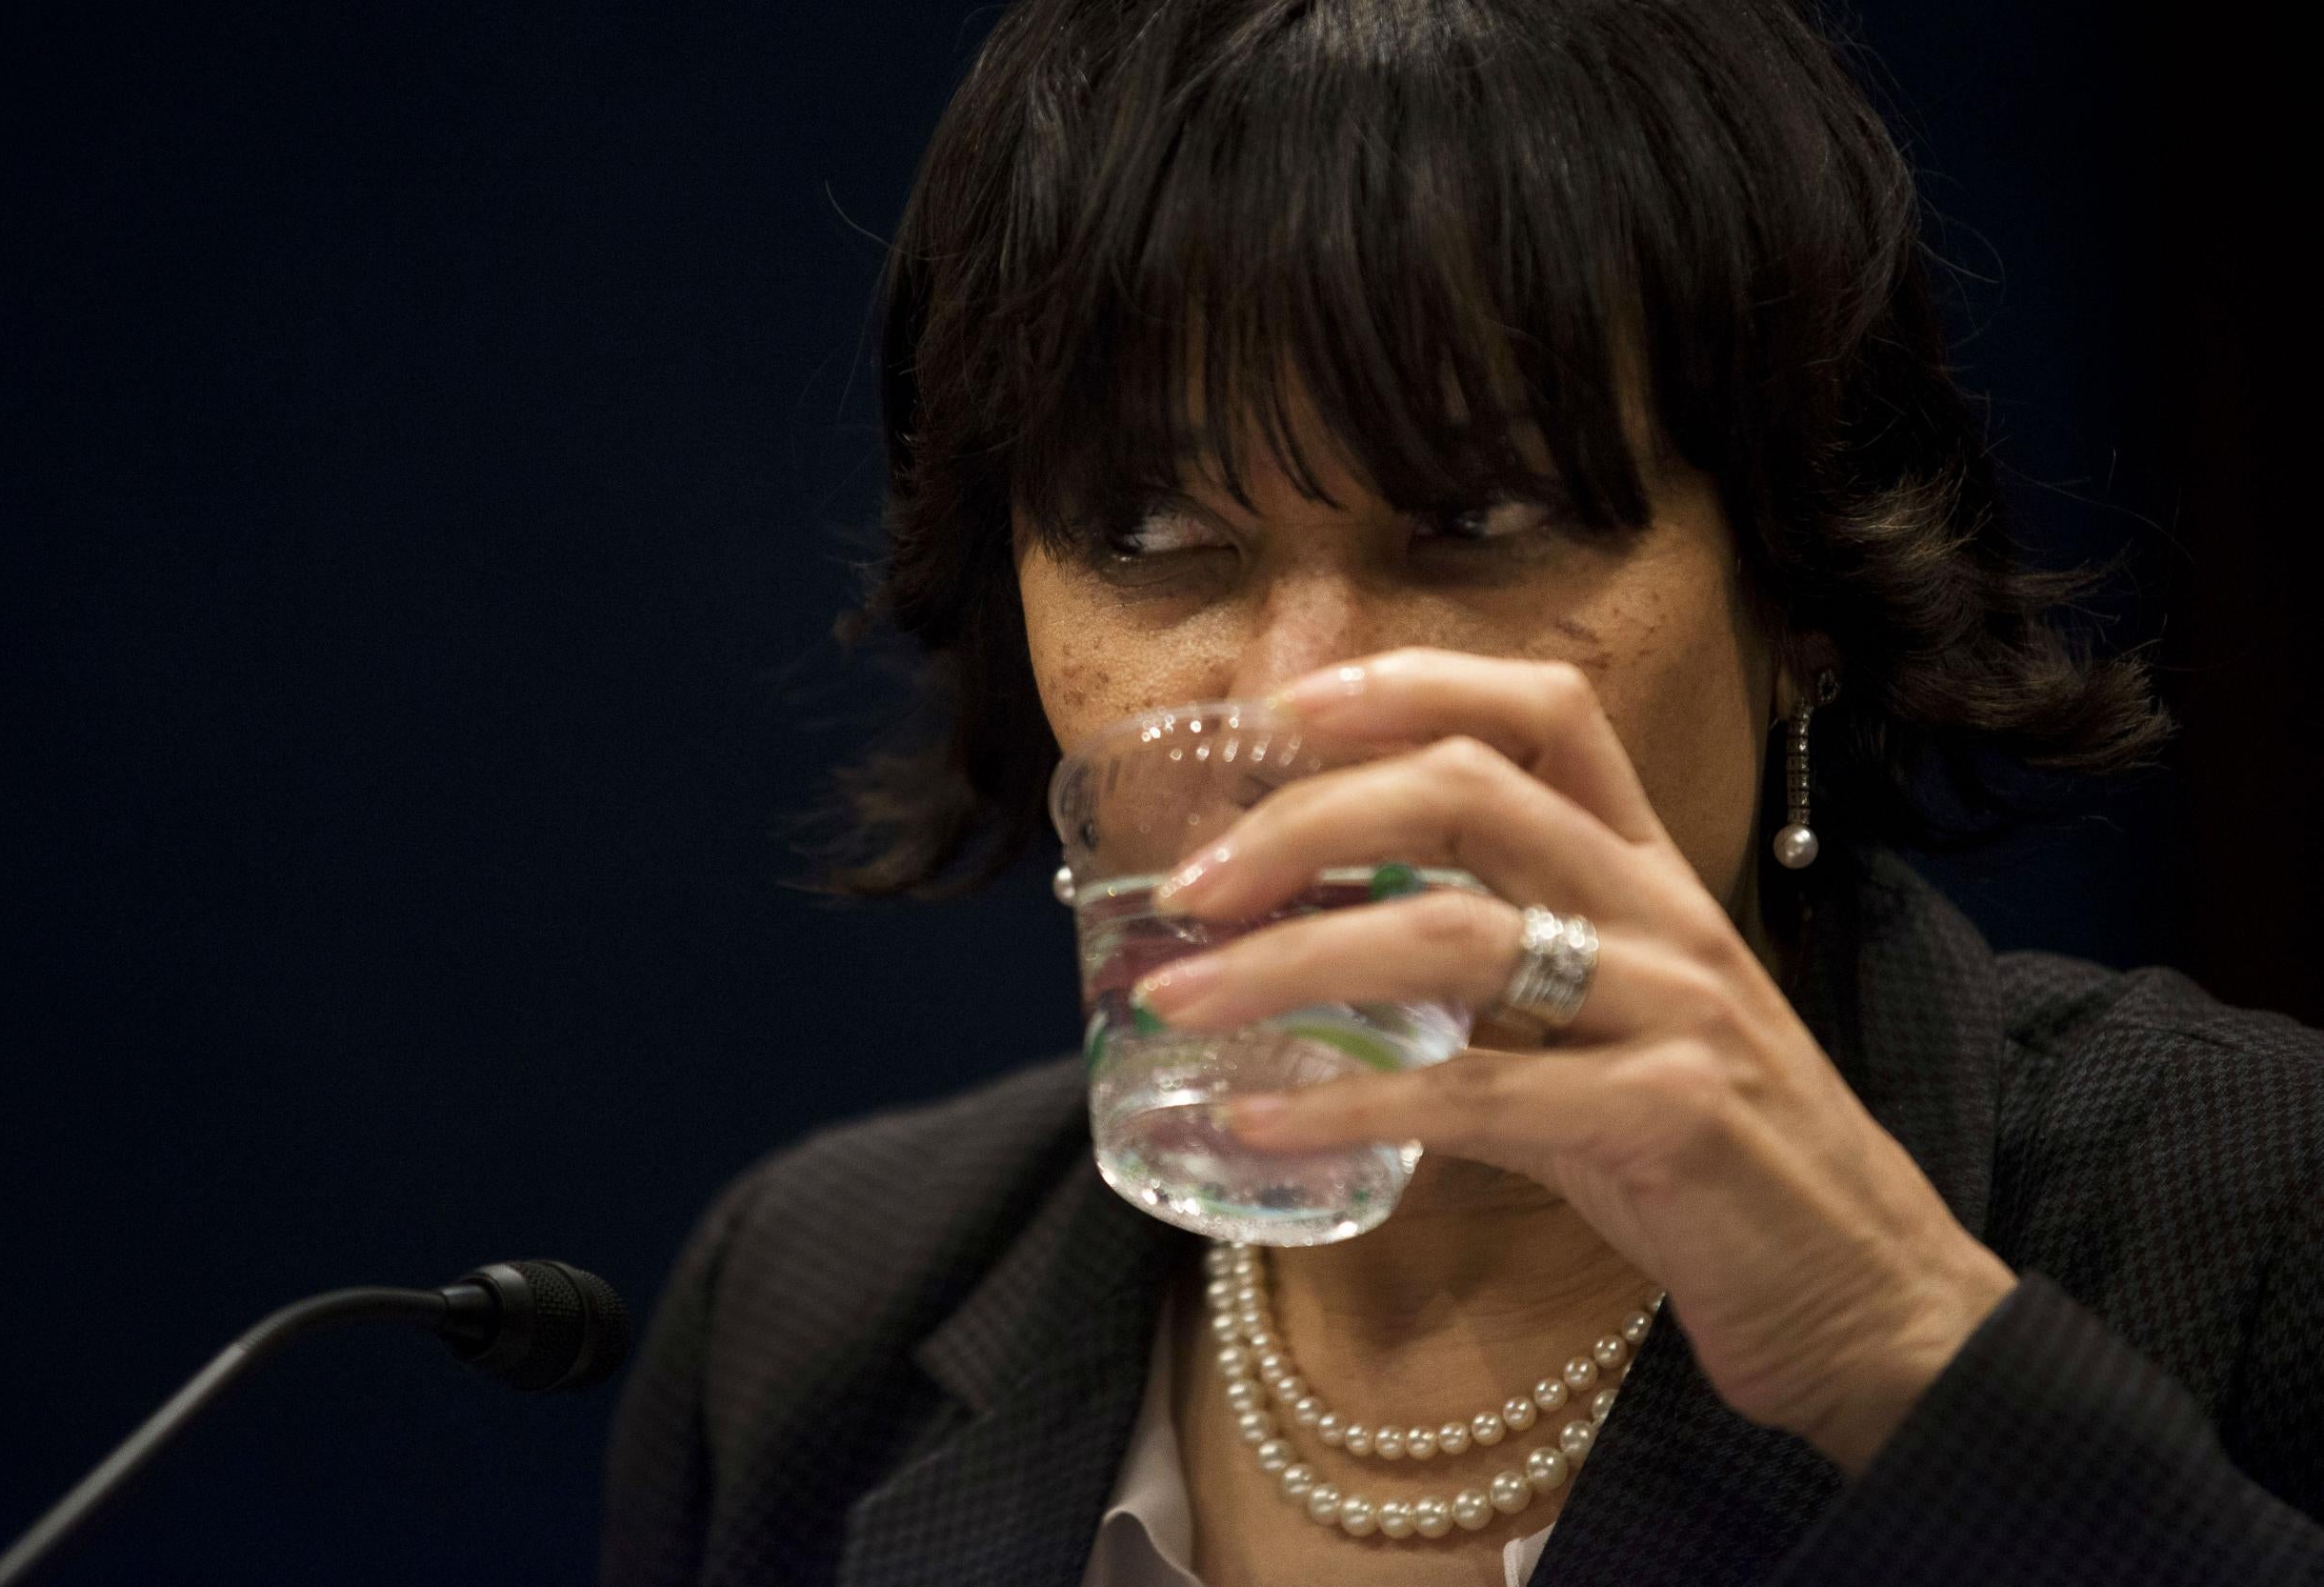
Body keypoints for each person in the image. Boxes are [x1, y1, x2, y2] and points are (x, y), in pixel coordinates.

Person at [600, 1, 2324, 1582]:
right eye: (1154, 535)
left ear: (1802, 591)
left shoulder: (2247, 1205)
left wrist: (1902, 1356)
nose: (1301, 707)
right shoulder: (802, 1322)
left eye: (1479, 523)